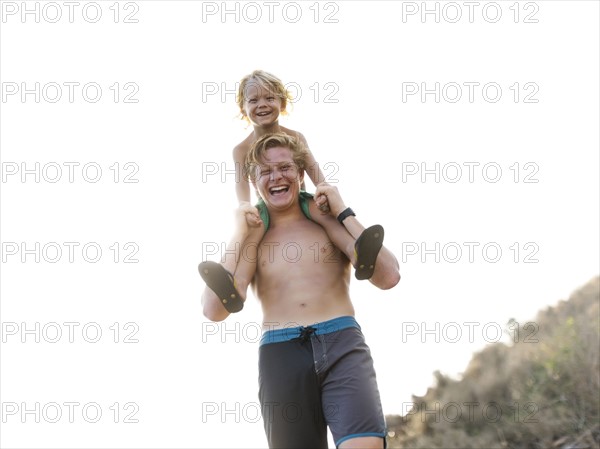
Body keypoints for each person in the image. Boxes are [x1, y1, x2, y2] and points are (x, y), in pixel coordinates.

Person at [200, 133, 400, 448]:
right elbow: (213, 310)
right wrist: (239, 233)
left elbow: (389, 277)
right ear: (255, 182)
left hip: (341, 342)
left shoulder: (323, 218)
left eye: (284, 168)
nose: (276, 176)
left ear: (301, 174)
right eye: (265, 171)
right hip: (281, 353)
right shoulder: (255, 232)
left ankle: (360, 253)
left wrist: (343, 210)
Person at [224, 71, 384, 312]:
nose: (262, 105)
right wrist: (245, 210)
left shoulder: (295, 137)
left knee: (327, 220)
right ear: (242, 108)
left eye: (269, 98)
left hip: (300, 201)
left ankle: (360, 253)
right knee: (252, 237)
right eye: (253, 100)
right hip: (267, 209)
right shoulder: (241, 149)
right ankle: (234, 287)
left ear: (282, 102)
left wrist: (325, 197)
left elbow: (317, 176)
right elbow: (241, 191)